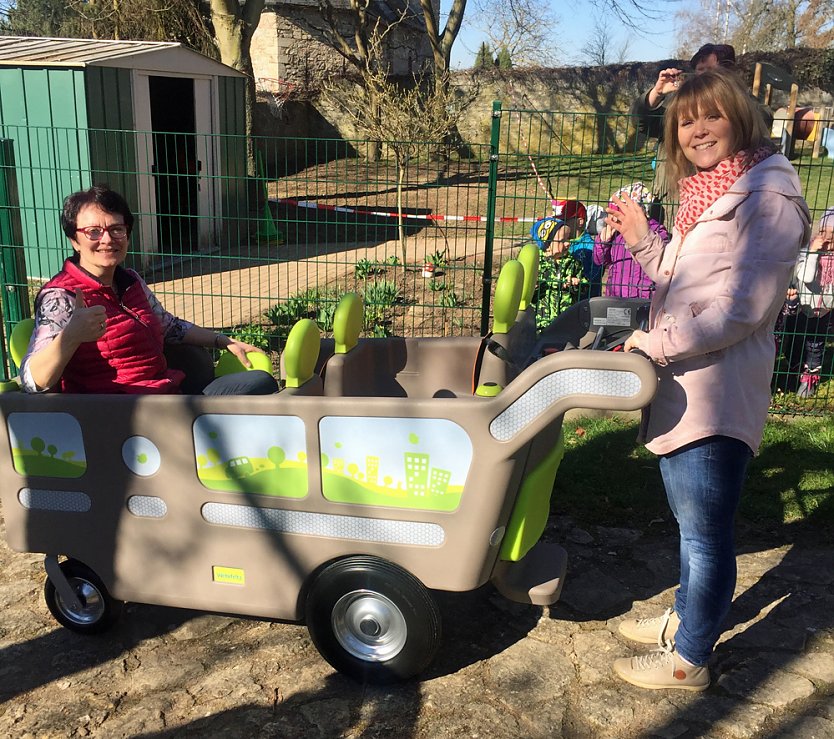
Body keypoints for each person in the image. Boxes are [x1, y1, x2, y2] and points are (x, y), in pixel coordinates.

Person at [608, 68, 810, 691]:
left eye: (711, 116)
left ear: (741, 119)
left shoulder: (767, 198)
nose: (697, 129)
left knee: (705, 535)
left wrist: (652, 344)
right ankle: (685, 616)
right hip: (686, 386)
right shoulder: (710, 192)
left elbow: (739, 309)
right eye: (685, 120)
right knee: (691, 527)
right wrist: (645, 245)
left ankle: (688, 657)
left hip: (716, 393)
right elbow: (685, 284)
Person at [20, 186, 279, 396]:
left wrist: (224, 341)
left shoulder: (129, 280)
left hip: (162, 394)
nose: (107, 240)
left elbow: (169, 326)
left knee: (253, 381)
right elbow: (32, 380)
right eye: (94, 232)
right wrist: (71, 336)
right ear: (74, 240)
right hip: (122, 414)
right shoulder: (61, 297)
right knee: (257, 386)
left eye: (117, 230)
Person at [631, 44, 773, 207]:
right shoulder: (678, 102)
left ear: (729, 72)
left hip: (725, 197)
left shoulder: (742, 100)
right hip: (674, 199)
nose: (699, 131)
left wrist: (732, 101)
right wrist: (656, 93)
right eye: (700, 69)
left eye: (711, 70)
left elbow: (763, 117)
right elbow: (641, 123)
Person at [780, 207, 834, 397]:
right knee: (793, 342)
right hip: (801, 307)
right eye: (824, 233)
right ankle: (793, 371)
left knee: (815, 346)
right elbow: (807, 276)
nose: (827, 240)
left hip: (824, 310)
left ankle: (808, 380)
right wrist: (813, 253)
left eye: (832, 237)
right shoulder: (807, 250)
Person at [592, 183, 670, 299]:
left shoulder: (656, 231)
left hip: (643, 295)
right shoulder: (615, 233)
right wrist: (603, 243)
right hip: (616, 296)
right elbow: (600, 261)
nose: (615, 218)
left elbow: (663, 261)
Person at [530, 199, 598, 329]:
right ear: (547, 246)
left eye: (568, 239)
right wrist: (534, 286)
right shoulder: (537, 264)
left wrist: (576, 284)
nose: (568, 243)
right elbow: (528, 292)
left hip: (567, 319)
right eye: (563, 240)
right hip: (541, 320)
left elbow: (584, 285)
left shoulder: (573, 263)